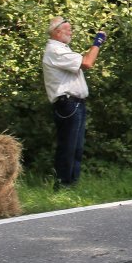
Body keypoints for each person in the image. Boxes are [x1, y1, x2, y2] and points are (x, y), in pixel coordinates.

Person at [42, 17, 104, 189]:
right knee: (68, 146)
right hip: (68, 104)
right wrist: (98, 42)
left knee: (76, 147)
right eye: (68, 29)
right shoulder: (55, 50)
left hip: (75, 103)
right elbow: (87, 62)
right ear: (57, 32)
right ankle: (62, 185)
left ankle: (72, 184)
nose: (71, 32)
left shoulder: (62, 49)